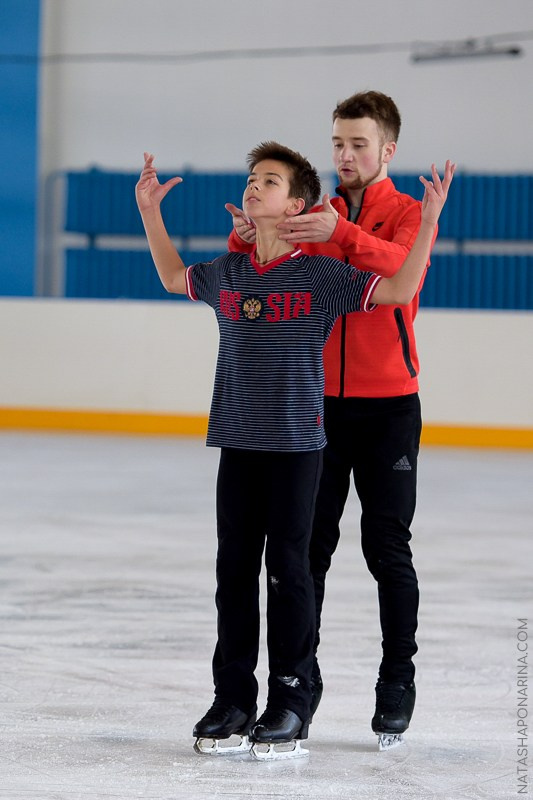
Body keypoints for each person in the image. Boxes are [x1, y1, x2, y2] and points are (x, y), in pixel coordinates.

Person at [135, 141, 453, 759]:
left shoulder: (321, 275)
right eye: (252, 179)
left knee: (289, 571)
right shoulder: (229, 275)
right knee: (233, 571)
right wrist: (151, 213)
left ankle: (289, 699)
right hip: (237, 441)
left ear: (297, 204)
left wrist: (431, 221)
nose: (254, 188)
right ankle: (232, 698)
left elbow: (399, 289)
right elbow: (175, 277)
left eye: (270, 181)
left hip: (299, 445)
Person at [226, 91, 441, 747]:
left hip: (389, 410)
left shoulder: (407, 214)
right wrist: (246, 231)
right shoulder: (311, 215)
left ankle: (396, 679)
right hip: (313, 407)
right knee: (302, 553)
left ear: (387, 150)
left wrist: (340, 234)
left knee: (386, 549)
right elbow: (258, 262)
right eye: (338, 143)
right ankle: (300, 685)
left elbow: (402, 273)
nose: (346, 155)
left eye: (359, 144)